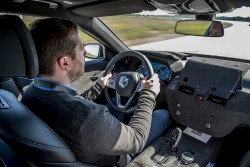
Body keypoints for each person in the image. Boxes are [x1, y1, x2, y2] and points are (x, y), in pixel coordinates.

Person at [21, 18, 171, 167]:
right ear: (65, 62)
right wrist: (148, 94)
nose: (85, 52)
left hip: (82, 143)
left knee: (114, 108)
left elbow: (72, 104)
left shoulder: (32, 92)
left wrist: (98, 86)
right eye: (81, 48)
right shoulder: (90, 118)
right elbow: (137, 139)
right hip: (112, 159)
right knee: (163, 115)